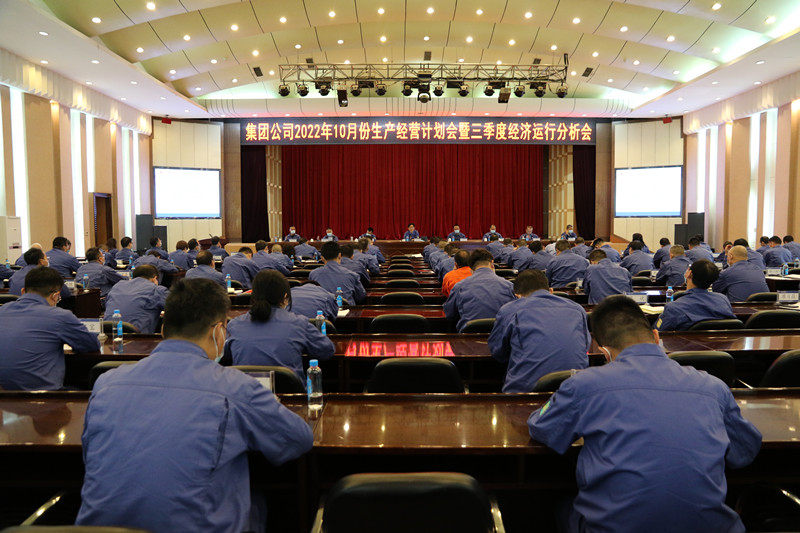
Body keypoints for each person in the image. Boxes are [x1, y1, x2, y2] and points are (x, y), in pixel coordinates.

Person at [77, 278, 314, 533]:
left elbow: (90, 455)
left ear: (163, 329)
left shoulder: (106, 383)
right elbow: (299, 439)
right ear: (219, 331)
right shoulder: (236, 388)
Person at [528, 295, 761, 533]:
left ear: (604, 352)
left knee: (557, 504)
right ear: (656, 337)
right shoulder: (713, 386)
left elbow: (543, 428)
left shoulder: (583, 385)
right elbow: (744, 452)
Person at [0, 266, 100, 390]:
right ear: (55, 296)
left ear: (23, 291)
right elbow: (91, 344)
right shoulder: (59, 316)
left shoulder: (2, 310)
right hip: (42, 396)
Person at [489, 270, 590, 393]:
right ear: (551, 291)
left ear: (517, 296)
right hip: (576, 390)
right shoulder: (578, 309)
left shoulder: (509, 310)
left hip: (525, 393)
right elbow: (585, 346)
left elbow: (498, 353)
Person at [227, 271, 334, 380]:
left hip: (245, 390)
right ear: (285, 298)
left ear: (253, 296)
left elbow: (222, 356)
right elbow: (327, 350)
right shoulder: (298, 323)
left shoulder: (234, 325)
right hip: (290, 390)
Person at [443, 249, 515, 331]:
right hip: (501, 335)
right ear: (492, 263)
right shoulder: (509, 286)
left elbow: (450, 314)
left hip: (469, 336)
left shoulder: (460, 286)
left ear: (470, 266)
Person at [657, 259, 737, 331]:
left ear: (689, 274)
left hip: (686, 343)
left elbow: (658, 332)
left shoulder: (674, 307)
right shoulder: (723, 300)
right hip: (721, 342)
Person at [104, 264, 168, 334]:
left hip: (108, 334)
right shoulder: (157, 289)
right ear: (154, 278)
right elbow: (175, 309)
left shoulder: (117, 285)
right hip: (138, 337)